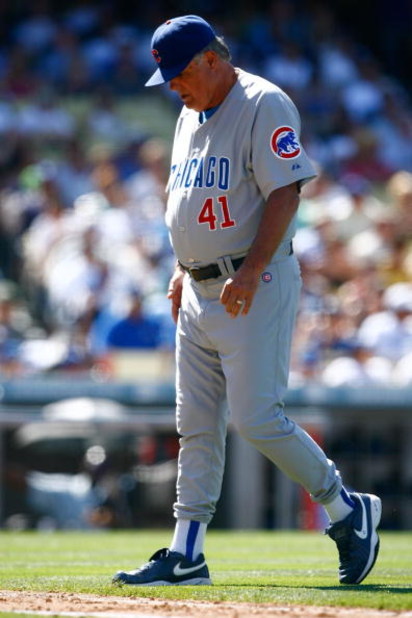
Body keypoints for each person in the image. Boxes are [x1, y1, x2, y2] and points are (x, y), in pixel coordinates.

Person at [113, 14, 381, 587]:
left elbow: (286, 189)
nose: (176, 88)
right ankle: (187, 552)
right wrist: (183, 267)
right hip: (198, 287)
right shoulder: (190, 113)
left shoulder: (265, 102)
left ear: (212, 58)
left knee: (258, 418)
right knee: (196, 422)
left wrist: (250, 267)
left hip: (251, 284)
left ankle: (345, 509)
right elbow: (192, 200)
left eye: (181, 73)